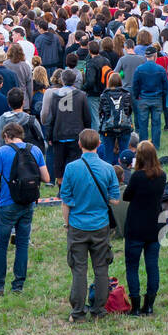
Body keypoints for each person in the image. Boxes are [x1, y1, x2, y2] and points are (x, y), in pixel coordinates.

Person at [60, 129, 120, 322]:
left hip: (77, 225)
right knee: (101, 268)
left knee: (79, 269)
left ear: (80, 144)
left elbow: (66, 200)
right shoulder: (108, 168)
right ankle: (99, 310)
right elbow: (115, 200)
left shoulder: (71, 168)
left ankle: (77, 312)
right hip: (100, 225)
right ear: (99, 144)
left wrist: (66, 223)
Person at [0, 122, 50, 296]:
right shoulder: (35, 150)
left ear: (6, 135)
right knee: (22, 244)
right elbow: (46, 177)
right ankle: (18, 285)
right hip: (28, 202)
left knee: (1, 245)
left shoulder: (2, 152)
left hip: (7, 203)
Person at [122, 141, 166, 316]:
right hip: (154, 225)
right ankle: (149, 305)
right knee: (152, 266)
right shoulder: (162, 175)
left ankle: (135, 306)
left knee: (132, 266)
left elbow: (127, 196)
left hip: (136, 227)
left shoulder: (137, 176)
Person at [97, 72, 133, 164]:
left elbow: (101, 112)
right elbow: (129, 111)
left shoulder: (104, 95)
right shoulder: (127, 94)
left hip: (108, 128)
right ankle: (123, 174)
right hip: (124, 127)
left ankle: (109, 175)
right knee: (124, 154)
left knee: (108, 156)